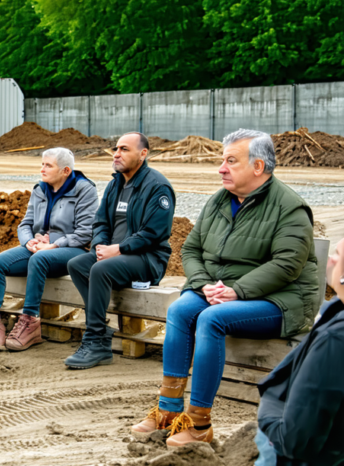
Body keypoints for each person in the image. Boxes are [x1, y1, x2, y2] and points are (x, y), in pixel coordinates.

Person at [131, 129, 320, 447]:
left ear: (258, 167)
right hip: (225, 292)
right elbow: (191, 249)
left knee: (211, 319)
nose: (221, 168)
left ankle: (200, 424)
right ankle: (168, 411)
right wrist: (203, 284)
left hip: (282, 300)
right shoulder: (220, 200)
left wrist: (238, 291)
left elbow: (288, 264)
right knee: (180, 308)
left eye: (231, 161)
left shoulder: (289, 207)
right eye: (222, 160)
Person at [65, 132, 175, 369]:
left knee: (101, 269)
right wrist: (100, 246)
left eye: (125, 149)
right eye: (116, 149)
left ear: (143, 154)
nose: (117, 154)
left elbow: (153, 233)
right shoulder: (116, 184)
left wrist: (120, 248)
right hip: (116, 256)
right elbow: (101, 222)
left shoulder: (157, 186)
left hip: (147, 259)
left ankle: (94, 340)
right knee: (77, 264)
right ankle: (102, 331)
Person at [0, 148, 97, 352]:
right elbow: (25, 224)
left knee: (40, 258)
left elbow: (86, 233)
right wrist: (29, 242)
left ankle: (30, 322)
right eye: (42, 164)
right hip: (39, 248)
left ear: (66, 171)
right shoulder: (40, 189)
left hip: (73, 251)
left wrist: (53, 243)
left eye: (48, 165)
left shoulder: (84, 190)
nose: (42, 169)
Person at [253, 238, 344, 466]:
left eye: (338, 253)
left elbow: (296, 441)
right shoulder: (335, 311)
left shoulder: (336, 339)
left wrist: (267, 414)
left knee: (267, 450)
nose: (332, 258)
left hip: (315, 461)